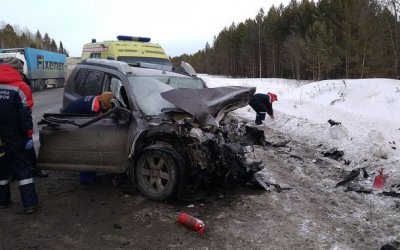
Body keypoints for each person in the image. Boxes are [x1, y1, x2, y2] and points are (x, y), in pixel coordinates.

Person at [0, 57, 40, 214]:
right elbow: (25, 115)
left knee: (1, 168)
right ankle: (30, 204)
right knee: (22, 167)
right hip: (14, 134)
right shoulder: (21, 87)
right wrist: (28, 136)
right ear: (17, 71)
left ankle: (2, 201)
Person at [63, 91, 116, 184]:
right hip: (69, 123)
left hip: (75, 120)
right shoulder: (93, 108)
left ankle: (89, 175)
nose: (107, 109)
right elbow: (94, 125)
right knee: (87, 149)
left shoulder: (97, 100)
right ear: (103, 103)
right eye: (107, 107)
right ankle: (87, 179)